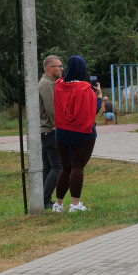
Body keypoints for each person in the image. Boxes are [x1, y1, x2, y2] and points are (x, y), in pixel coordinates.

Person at [52, 55, 103, 213]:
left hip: (61, 131)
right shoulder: (86, 89)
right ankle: (75, 204)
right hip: (82, 133)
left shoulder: (59, 86)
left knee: (65, 168)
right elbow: (92, 111)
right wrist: (99, 96)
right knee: (77, 167)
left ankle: (58, 204)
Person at [38, 55, 63, 211]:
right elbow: (52, 110)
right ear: (49, 68)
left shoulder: (48, 83)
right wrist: (59, 128)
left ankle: (42, 198)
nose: (61, 69)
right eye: (59, 66)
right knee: (57, 167)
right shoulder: (46, 85)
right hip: (50, 131)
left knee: (48, 168)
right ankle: (45, 199)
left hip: (45, 132)